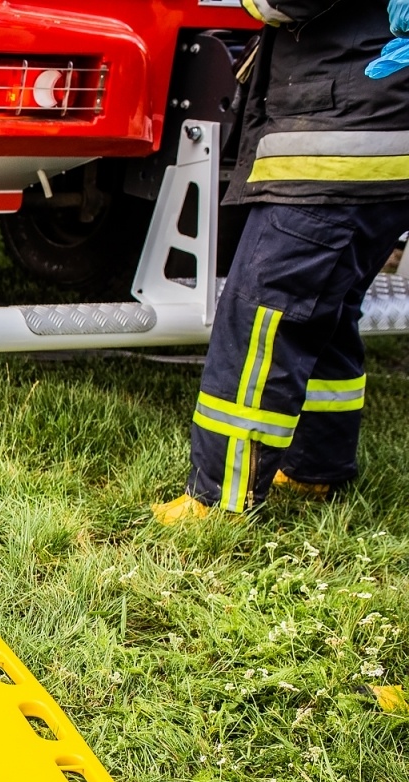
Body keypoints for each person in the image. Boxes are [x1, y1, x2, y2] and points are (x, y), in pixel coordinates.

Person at [154, 0, 409, 521]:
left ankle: (220, 498)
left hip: (337, 143)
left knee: (260, 320)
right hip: (378, 132)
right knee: (326, 311)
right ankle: (316, 466)